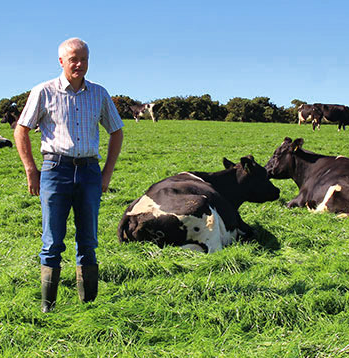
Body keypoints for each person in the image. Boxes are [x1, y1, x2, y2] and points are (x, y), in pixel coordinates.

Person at [14, 37, 124, 312]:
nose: (79, 64)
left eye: (84, 59)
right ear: (61, 61)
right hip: (55, 170)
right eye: (73, 59)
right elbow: (21, 129)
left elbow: (117, 131)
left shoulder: (98, 93)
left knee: (88, 241)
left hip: (88, 172)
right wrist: (31, 170)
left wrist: (106, 174)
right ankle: (47, 306)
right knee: (52, 241)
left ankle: (88, 306)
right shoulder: (44, 91)